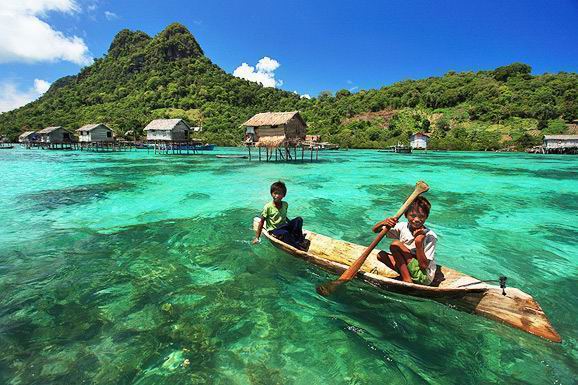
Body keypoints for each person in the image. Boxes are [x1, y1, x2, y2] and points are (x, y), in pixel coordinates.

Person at [372, 196, 437, 285]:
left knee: (396, 245)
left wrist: (419, 244)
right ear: (406, 215)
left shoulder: (430, 236)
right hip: (410, 267)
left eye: (421, 216)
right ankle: (405, 275)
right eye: (413, 215)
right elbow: (375, 230)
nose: (417, 220)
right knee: (381, 255)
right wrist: (384, 222)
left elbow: (424, 266)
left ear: (426, 217)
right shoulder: (402, 227)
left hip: (423, 276)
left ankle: (407, 280)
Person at [253, 181, 307, 250]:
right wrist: (257, 237)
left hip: (283, 226)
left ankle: (299, 240)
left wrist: (292, 225)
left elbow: (283, 216)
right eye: (275, 193)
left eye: (280, 194)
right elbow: (261, 222)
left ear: (284, 195)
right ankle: (298, 247)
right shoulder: (268, 207)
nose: (277, 196)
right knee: (285, 233)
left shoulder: (285, 204)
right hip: (274, 230)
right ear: (271, 194)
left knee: (299, 219)